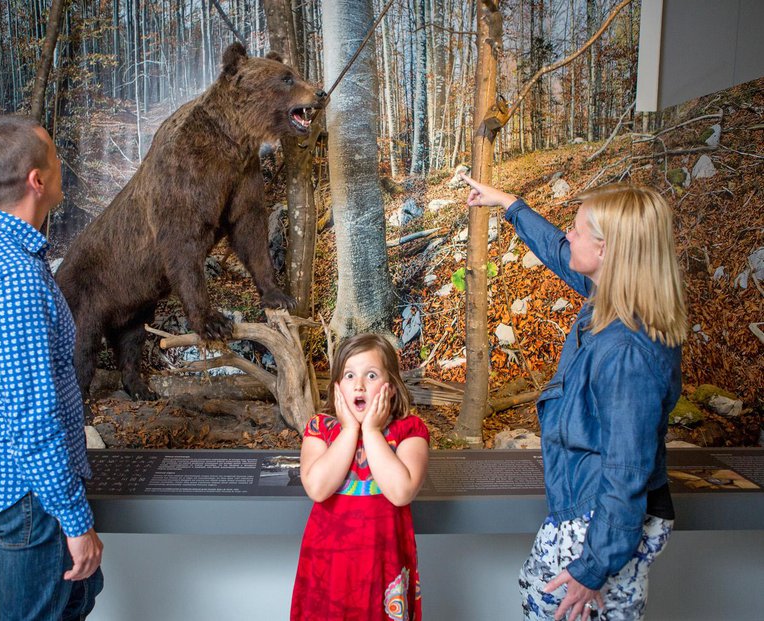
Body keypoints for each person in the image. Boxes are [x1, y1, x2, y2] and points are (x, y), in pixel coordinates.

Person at [460, 174, 687, 621]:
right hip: (589, 514)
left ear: (605, 251)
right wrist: (508, 204)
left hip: (596, 523)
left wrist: (592, 568)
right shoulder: (613, 302)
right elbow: (561, 254)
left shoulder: (626, 353)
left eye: (579, 228)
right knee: (536, 597)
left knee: (549, 607)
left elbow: (625, 473)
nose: (570, 234)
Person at [0, 115, 103, 620]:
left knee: (75, 600)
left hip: (12, 480)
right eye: (54, 157)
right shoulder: (13, 277)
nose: (60, 166)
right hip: (31, 492)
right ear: (37, 180)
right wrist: (74, 520)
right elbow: (30, 418)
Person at [291, 333, 430, 621]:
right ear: (337, 388)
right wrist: (350, 431)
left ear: (390, 388)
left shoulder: (411, 430)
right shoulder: (320, 429)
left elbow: (401, 491)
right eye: (350, 375)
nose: (359, 384)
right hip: (328, 565)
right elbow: (317, 488)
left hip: (383, 565)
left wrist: (371, 431)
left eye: (371, 375)